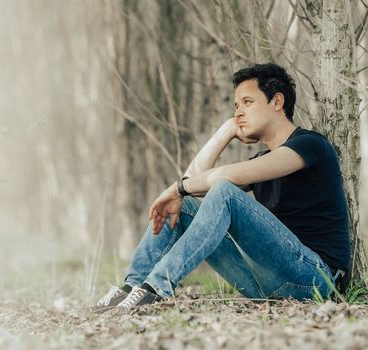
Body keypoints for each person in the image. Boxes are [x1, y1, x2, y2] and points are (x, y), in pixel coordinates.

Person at [92, 63, 350, 313]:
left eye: (248, 102)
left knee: (224, 190)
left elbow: (222, 179)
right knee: (187, 207)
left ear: (277, 102)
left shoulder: (311, 146)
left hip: (315, 280)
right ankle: (133, 285)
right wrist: (226, 131)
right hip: (265, 284)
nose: (239, 112)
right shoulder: (260, 161)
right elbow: (194, 182)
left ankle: (156, 288)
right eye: (236, 106)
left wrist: (177, 188)